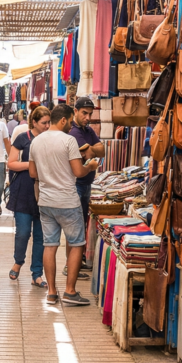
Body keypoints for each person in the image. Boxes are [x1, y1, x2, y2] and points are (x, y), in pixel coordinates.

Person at [29, 104, 99, 306]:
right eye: (69, 121)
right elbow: (78, 172)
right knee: (77, 244)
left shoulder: (36, 141)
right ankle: (70, 291)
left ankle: (51, 292)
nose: (71, 125)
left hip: (46, 201)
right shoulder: (69, 140)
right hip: (67, 201)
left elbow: (33, 173)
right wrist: (90, 166)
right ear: (62, 120)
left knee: (49, 245)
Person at [7, 106, 51, 289]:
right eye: (44, 123)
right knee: (23, 232)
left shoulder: (51, 140)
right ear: (34, 122)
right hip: (24, 191)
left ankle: (37, 274)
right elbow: (11, 163)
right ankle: (18, 261)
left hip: (45, 192)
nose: (47, 126)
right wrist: (31, 165)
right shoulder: (22, 138)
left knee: (41, 236)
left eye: (49, 122)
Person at [67, 96, 105, 276]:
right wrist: (91, 149)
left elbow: (101, 150)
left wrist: (92, 149)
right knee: (74, 227)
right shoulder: (74, 132)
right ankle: (70, 265)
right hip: (76, 184)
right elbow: (86, 152)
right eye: (84, 113)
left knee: (80, 225)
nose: (87, 117)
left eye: (90, 114)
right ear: (75, 111)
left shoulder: (87, 130)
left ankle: (76, 262)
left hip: (86, 184)